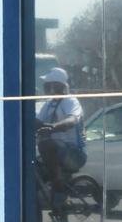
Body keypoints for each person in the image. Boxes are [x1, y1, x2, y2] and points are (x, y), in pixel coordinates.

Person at [34, 67, 86, 207]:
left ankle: (59, 189)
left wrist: (53, 127)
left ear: (56, 85)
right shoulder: (49, 104)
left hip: (74, 154)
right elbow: (38, 121)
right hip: (57, 153)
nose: (44, 87)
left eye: (47, 84)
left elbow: (72, 120)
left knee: (45, 145)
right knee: (33, 168)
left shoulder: (70, 101)